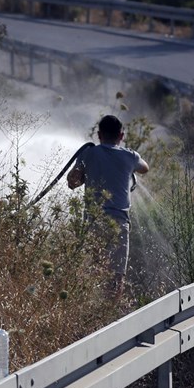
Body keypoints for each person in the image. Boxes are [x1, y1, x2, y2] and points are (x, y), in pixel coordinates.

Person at [66, 115, 149, 290]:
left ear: (99, 135)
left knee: (91, 272)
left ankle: (89, 312)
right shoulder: (130, 156)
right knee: (116, 278)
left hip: (92, 221)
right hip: (118, 222)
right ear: (121, 136)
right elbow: (145, 168)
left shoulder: (88, 153)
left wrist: (86, 168)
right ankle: (109, 313)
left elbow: (72, 183)